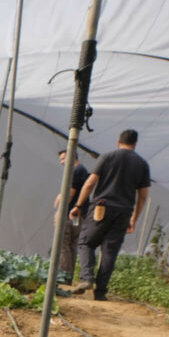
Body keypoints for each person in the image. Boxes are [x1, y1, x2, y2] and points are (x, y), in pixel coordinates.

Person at [69, 129, 150, 301]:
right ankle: (101, 292)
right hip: (124, 211)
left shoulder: (107, 157)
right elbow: (143, 196)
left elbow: (90, 182)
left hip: (101, 207)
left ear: (118, 141)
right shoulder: (142, 164)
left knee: (85, 242)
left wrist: (78, 205)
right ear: (135, 144)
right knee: (110, 252)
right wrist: (134, 218)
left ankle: (87, 278)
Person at [54, 150, 90, 285]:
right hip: (77, 215)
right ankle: (67, 276)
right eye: (61, 160)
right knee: (72, 244)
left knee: (63, 243)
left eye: (63, 159)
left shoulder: (76, 171)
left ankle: (63, 276)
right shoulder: (81, 170)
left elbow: (70, 193)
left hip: (70, 214)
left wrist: (60, 211)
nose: (62, 162)